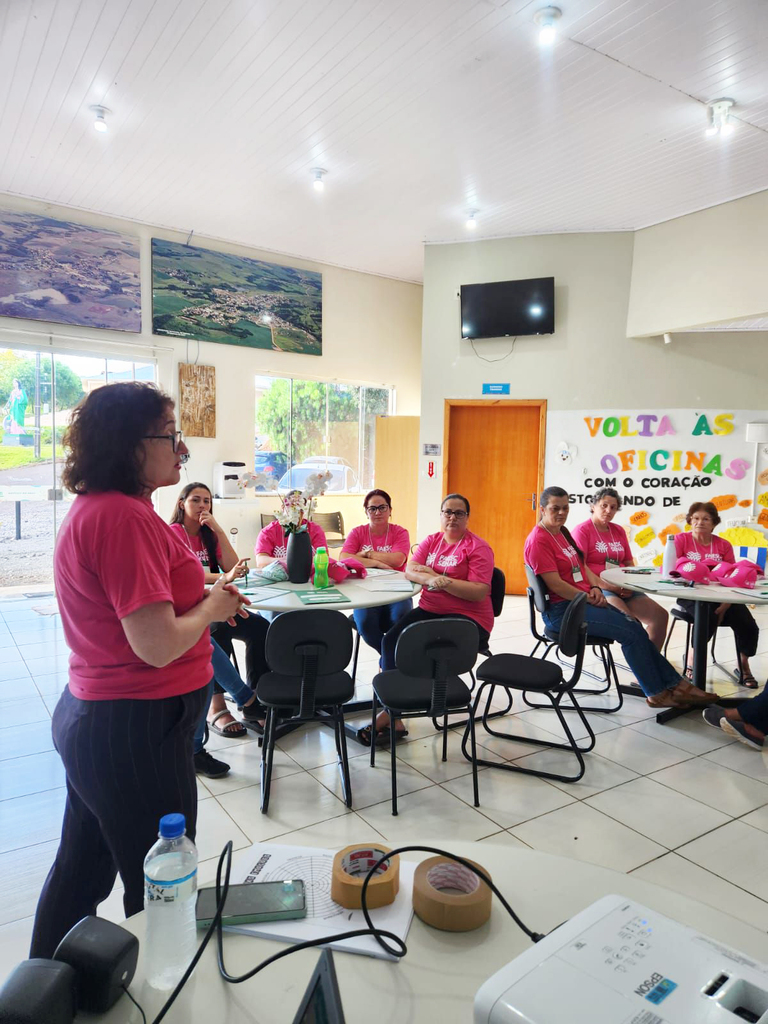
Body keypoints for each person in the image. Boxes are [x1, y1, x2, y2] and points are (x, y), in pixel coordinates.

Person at [30, 382, 249, 959]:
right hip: (133, 727)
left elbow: (152, 598)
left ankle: (38, 994)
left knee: (82, 870)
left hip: (107, 722)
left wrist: (206, 591)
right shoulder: (122, 518)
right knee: (162, 884)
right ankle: (167, 990)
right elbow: (155, 645)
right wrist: (213, 607)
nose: (181, 450)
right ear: (131, 446)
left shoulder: (118, 511)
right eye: (170, 437)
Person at [524, 486, 719, 710]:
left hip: (581, 600)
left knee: (633, 628)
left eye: (565, 508)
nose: (561, 513)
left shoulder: (561, 532)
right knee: (632, 631)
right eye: (555, 508)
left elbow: (581, 566)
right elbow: (555, 584)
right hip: (564, 611)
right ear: (542, 509)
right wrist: (588, 596)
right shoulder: (539, 540)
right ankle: (661, 691)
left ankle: (674, 687)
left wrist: (594, 587)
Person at [370, 494, 493, 745]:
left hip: (467, 620)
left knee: (415, 648)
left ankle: (395, 711)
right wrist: (430, 579)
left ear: (467, 518)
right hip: (431, 611)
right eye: (448, 512)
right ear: (440, 515)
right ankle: (394, 709)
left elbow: (479, 590)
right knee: (391, 640)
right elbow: (410, 569)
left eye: (459, 513)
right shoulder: (433, 541)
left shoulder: (478, 547)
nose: (452, 517)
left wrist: (439, 579)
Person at [170, 482, 269, 736]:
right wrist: (224, 576)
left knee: (261, 628)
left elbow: (233, 565)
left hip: (218, 602)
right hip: (195, 608)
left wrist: (219, 530)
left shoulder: (208, 534)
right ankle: (217, 707)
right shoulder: (175, 532)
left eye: (206, 501)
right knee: (215, 630)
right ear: (182, 504)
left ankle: (253, 701)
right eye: (196, 500)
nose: (202, 506)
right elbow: (188, 574)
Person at [674, 501, 761, 688]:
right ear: (689, 520)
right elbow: (672, 570)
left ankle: (743, 665)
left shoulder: (723, 545)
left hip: (724, 595)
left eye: (706, 519)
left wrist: (726, 604)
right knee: (708, 618)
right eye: (696, 518)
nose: (700, 522)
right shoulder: (680, 540)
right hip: (690, 593)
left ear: (714, 523)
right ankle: (692, 660)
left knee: (748, 625)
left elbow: (734, 575)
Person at [571, 487, 668, 649]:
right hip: (599, 587)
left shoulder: (618, 530)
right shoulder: (582, 531)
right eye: (604, 505)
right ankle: (646, 665)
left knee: (660, 616)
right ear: (593, 505)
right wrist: (610, 587)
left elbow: (629, 562)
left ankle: (652, 661)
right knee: (630, 623)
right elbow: (581, 567)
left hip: (623, 586)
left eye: (613, 507)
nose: (608, 510)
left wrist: (631, 584)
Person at [340, 488, 412, 658]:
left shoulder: (400, 532)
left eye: (382, 507)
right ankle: (388, 658)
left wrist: (368, 554)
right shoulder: (358, 532)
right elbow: (343, 558)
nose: (377, 512)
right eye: (372, 508)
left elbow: (397, 561)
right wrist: (376, 563)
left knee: (401, 617)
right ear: (366, 511)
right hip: (365, 590)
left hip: (397, 588)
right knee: (365, 623)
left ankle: (389, 660)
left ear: (390, 510)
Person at [254, 490, 327, 567]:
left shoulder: (315, 530)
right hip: (279, 576)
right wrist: (285, 561)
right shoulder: (268, 532)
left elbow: (323, 558)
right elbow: (261, 561)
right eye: (291, 506)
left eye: (299, 507)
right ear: (282, 507)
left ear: (304, 510)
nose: (295, 510)